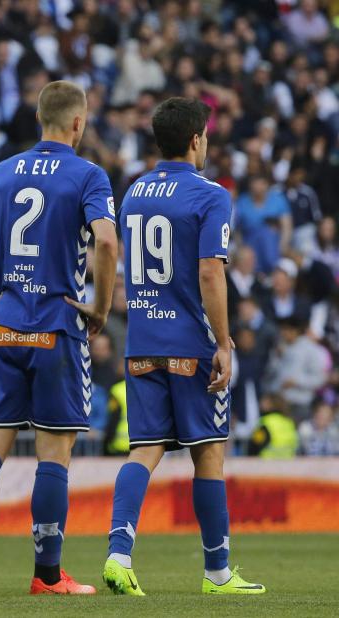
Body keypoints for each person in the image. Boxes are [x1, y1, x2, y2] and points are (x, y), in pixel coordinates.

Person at [0, 80, 118, 596]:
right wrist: (100, 307)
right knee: (52, 454)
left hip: (5, 324)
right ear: (77, 124)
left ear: (40, 119)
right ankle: (47, 574)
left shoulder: (2, 171)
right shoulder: (88, 175)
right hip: (56, 326)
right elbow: (106, 239)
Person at [102, 97, 265, 596]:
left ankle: (117, 554)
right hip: (191, 343)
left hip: (142, 341)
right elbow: (210, 271)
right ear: (197, 140)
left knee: (144, 449)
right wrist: (223, 342)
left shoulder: (133, 192)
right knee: (209, 454)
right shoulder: (211, 194)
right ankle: (217, 572)